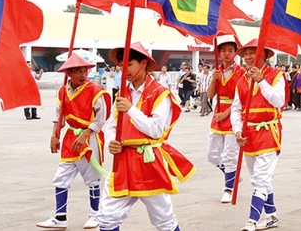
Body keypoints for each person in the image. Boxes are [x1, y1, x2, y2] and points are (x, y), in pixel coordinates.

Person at [96, 42, 195, 231]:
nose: (124, 69)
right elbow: (112, 124)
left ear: (143, 63)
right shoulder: (123, 93)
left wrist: (131, 109)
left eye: (129, 63)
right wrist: (111, 142)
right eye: (121, 64)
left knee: (164, 219)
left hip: (149, 162)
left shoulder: (160, 93)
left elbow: (156, 130)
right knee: (107, 217)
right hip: (123, 161)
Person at [35, 54, 111, 230]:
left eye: (84, 70)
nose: (83, 74)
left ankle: (95, 215)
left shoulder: (95, 90)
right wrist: (54, 135)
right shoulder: (62, 91)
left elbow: (101, 118)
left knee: (92, 178)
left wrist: (86, 134)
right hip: (70, 137)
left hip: (89, 137)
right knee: (61, 177)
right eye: (78, 71)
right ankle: (59, 217)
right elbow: (58, 115)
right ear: (69, 73)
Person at [230, 39, 284, 231]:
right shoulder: (241, 80)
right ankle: (271, 216)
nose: (248, 57)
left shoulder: (277, 75)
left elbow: (279, 101)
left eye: (253, 53)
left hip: (268, 132)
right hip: (248, 135)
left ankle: (252, 221)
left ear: (264, 54)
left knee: (260, 179)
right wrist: (237, 130)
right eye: (245, 54)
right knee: (261, 178)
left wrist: (261, 80)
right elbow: (236, 109)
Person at [206, 34, 245, 204]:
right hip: (217, 115)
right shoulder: (217, 71)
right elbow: (209, 95)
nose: (227, 53)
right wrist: (213, 81)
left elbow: (243, 99)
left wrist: (227, 113)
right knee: (212, 155)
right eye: (223, 50)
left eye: (230, 50)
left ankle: (228, 189)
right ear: (219, 53)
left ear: (236, 52)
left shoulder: (242, 72)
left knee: (230, 155)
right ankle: (233, 175)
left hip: (234, 114)